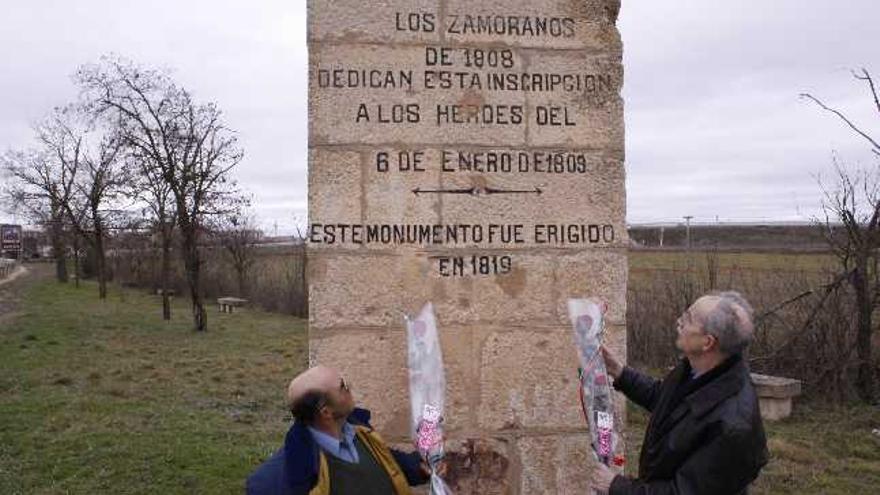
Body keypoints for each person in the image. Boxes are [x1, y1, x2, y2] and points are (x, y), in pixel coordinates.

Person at [591, 291, 768, 494]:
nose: (679, 321)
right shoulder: (700, 368)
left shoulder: (733, 427)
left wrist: (617, 487)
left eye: (688, 319)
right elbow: (666, 400)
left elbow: (683, 492)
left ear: (707, 342)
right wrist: (621, 373)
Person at [246, 365, 436, 495]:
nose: (349, 387)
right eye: (342, 386)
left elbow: (393, 467)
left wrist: (427, 463)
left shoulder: (359, 432)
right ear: (326, 412)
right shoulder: (282, 478)